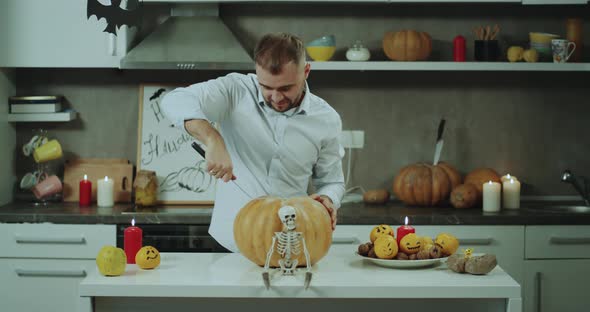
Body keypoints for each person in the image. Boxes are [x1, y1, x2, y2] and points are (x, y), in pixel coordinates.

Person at [161, 32, 345, 252]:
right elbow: (174, 100)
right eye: (266, 87)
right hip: (229, 243)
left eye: (286, 88)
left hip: (291, 245)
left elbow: (333, 181)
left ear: (306, 72)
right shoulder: (235, 90)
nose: (276, 97)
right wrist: (212, 138)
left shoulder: (326, 119)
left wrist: (327, 199)